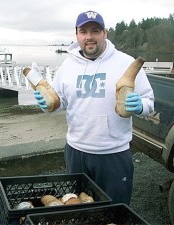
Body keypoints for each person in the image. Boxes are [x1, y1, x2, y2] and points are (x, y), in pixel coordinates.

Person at [33, 10, 154, 205]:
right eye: (83, 31)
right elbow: (59, 103)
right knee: (76, 209)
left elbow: (149, 101)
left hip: (113, 153)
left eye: (95, 31)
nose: (89, 37)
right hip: (76, 151)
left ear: (104, 33)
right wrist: (47, 105)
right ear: (77, 35)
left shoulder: (126, 63)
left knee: (114, 210)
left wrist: (140, 106)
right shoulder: (67, 66)